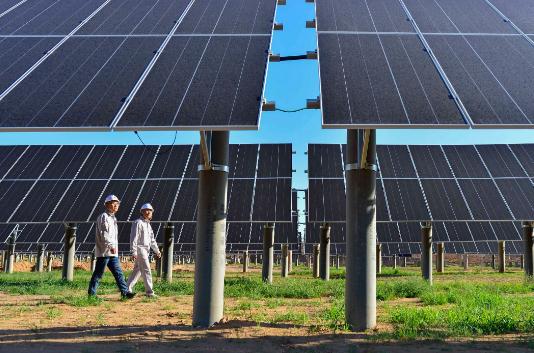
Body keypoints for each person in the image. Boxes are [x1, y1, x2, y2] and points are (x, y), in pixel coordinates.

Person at [88, 195, 135, 299]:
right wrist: (110, 246)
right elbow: (104, 233)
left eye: (117, 203)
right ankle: (91, 294)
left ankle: (125, 292)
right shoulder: (104, 217)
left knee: (119, 273)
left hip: (113, 252)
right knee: (98, 273)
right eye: (113, 203)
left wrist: (113, 248)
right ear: (107, 205)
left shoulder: (113, 218)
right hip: (105, 252)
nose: (115, 205)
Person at [127, 203, 161, 298]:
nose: (149, 212)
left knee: (137, 271)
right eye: (146, 210)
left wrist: (157, 251)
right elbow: (134, 238)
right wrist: (133, 251)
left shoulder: (148, 225)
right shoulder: (138, 222)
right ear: (142, 212)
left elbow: (152, 240)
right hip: (140, 249)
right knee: (146, 270)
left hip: (146, 250)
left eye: (150, 211)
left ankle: (127, 288)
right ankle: (149, 292)